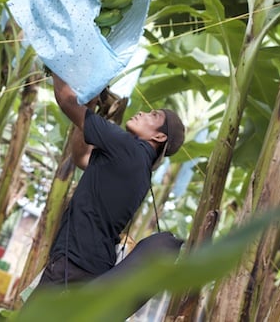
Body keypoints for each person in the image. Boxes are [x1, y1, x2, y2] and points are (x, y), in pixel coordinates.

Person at [36, 72, 185, 288]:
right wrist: (92, 103)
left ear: (159, 137)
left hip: (73, 266)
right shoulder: (140, 169)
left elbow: (67, 101)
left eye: (153, 116)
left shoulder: (127, 148)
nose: (142, 112)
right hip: (90, 270)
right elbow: (81, 157)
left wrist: (57, 65)